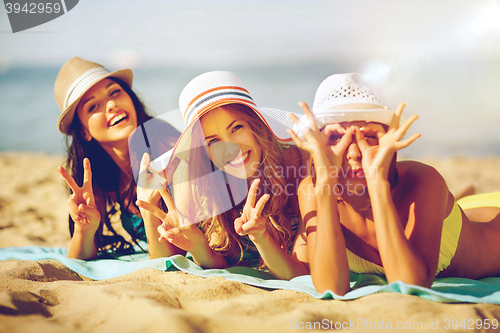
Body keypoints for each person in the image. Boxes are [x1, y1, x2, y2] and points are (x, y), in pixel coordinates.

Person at [289, 73, 500, 295]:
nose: (353, 153)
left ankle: (461, 199)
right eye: (335, 138)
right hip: (461, 212)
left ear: (387, 140)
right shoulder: (313, 191)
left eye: (368, 137)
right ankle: (462, 197)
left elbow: (410, 285)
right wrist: (325, 184)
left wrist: (377, 183)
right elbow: (331, 288)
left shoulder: (423, 180)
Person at [137, 71, 309, 279]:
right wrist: (149, 211)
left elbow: (302, 273)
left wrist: (261, 237)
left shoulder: (296, 165)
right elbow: (164, 266)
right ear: (203, 150)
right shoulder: (197, 181)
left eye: (236, 128)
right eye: (213, 141)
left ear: (256, 127)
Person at [54, 57, 180, 260]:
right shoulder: (98, 175)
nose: (111, 104)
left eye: (114, 92)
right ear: (84, 132)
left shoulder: (168, 149)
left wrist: (150, 213)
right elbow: (78, 260)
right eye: (93, 106)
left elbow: (171, 259)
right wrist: (84, 229)